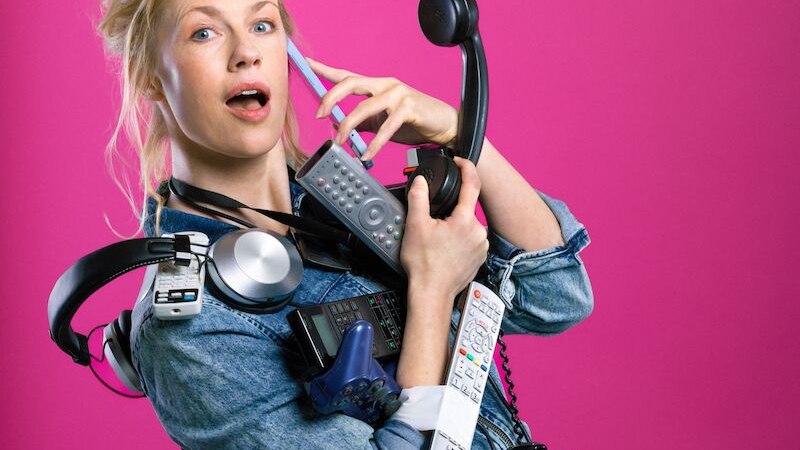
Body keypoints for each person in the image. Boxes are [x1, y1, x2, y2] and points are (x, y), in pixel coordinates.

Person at [98, 0, 593, 448]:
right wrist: (433, 294)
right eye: (204, 33)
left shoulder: (343, 207)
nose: (246, 52)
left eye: (262, 23)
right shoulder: (189, 334)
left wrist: (459, 130)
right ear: (150, 76)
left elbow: (555, 296)